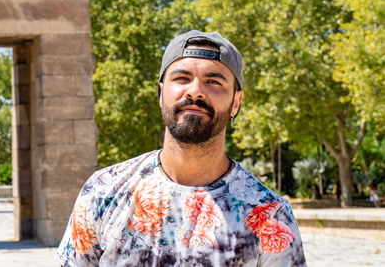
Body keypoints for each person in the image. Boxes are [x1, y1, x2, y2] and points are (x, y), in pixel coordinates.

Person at [56, 30, 306, 266]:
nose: (195, 91)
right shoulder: (103, 191)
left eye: (214, 82)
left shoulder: (270, 215)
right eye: (182, 78)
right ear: (161, 93)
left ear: (236, 103)